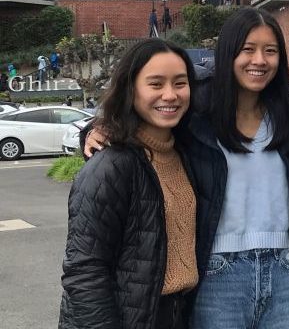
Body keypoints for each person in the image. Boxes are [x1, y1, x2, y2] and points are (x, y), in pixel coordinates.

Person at [85, 8, 289, 328]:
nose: (259, 60)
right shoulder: (198, 104)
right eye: (247, 49)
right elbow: (145, 113)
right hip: (219, 274)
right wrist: (96, 129)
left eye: (270, 51)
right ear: (228, 52)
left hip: (285, 271)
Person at [59, 39, 198, 329]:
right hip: (131, 318)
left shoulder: (185, 154)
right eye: (156, 84)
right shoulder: (111, 165)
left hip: (181, 314)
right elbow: (85, 271)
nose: (170, 95)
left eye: (180, 83)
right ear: (130, 89)